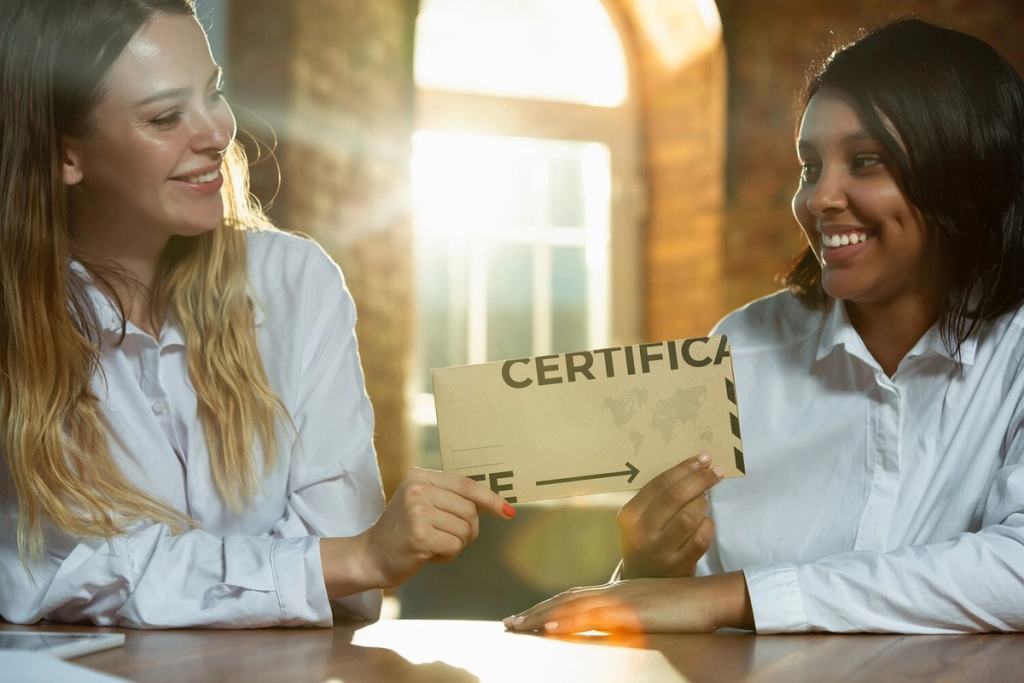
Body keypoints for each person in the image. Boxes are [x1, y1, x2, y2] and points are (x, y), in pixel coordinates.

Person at [0, 0, 513, 629]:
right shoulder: (17, 327)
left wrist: (340, 561)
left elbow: (351, 589)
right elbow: (55, 575)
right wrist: (336, 561)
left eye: (213, 93)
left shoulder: (296, 284)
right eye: (165, 116)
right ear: (65, 157)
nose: (217, 131)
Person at [505, 17, 1024, 634]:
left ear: (962, 173)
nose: (819, 198)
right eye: (810, 166)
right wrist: (650, 564)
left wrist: (742, 597)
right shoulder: (737, 351)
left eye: (864, 162)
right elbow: (668, 607)